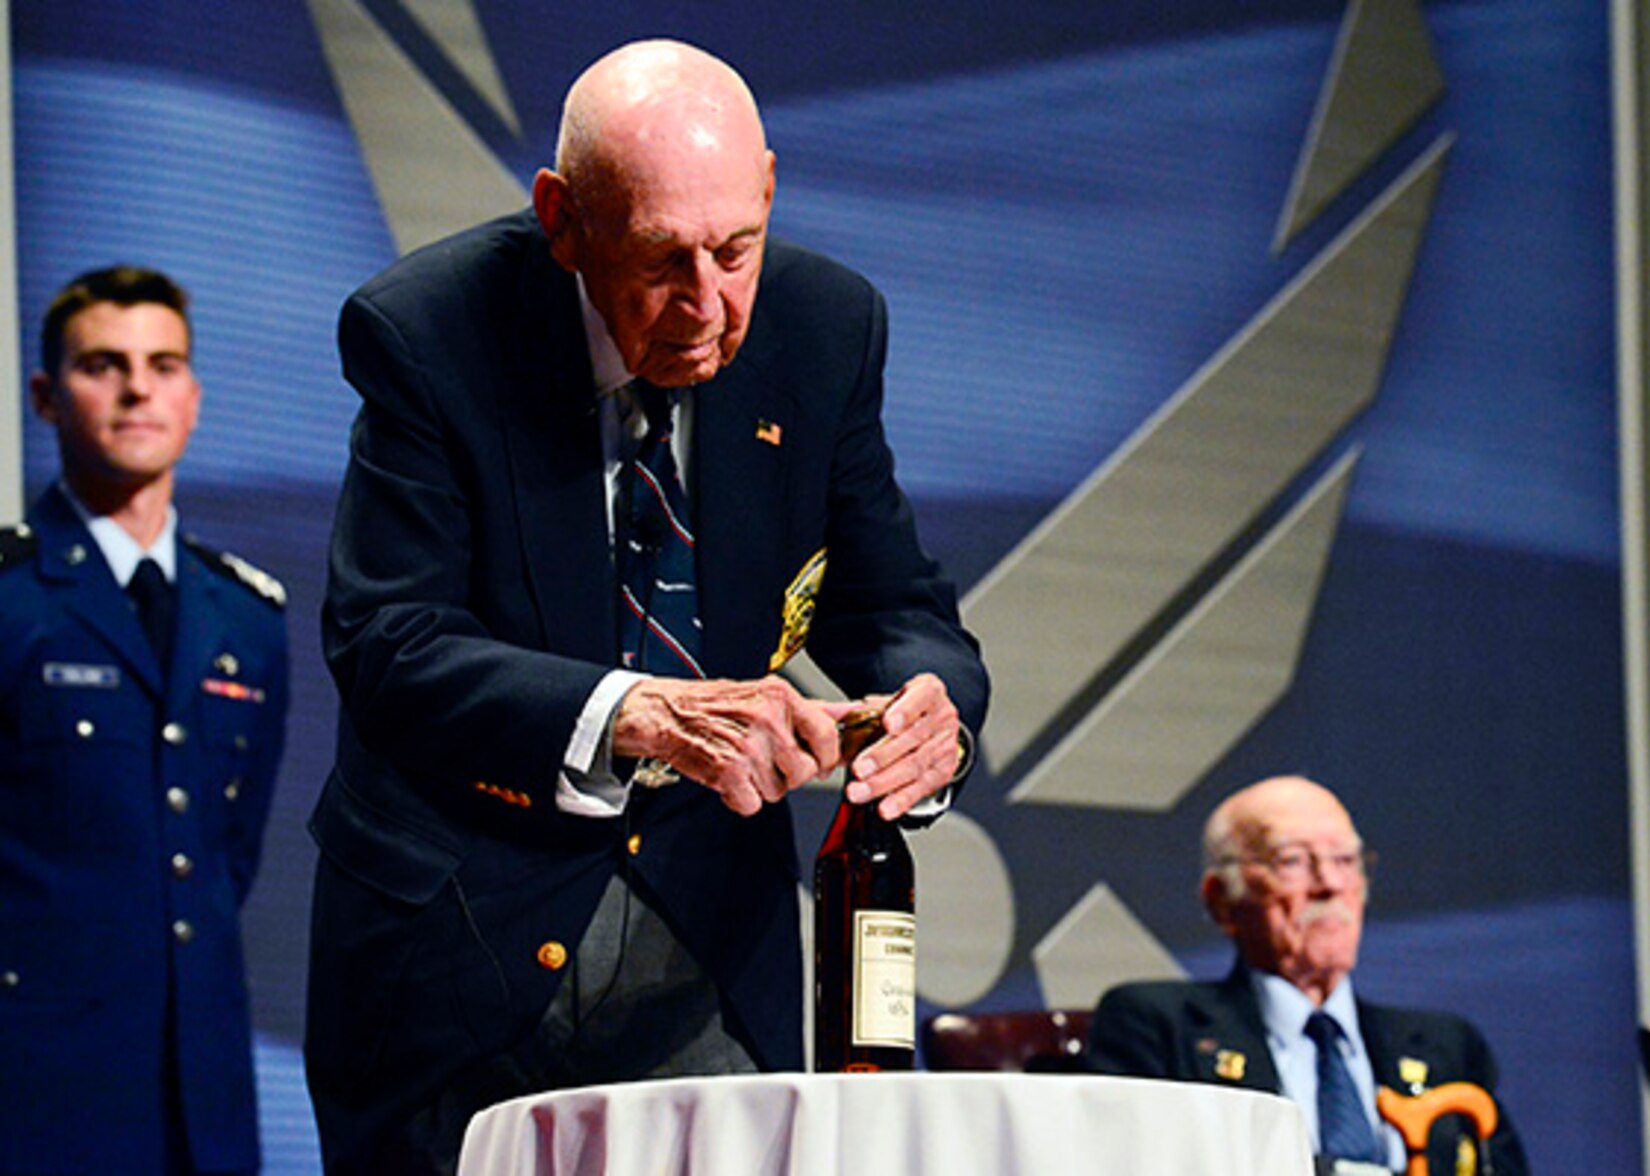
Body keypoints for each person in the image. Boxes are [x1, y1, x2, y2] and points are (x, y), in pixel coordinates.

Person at [305, 38, 988, 1173]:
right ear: (563, 221)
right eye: (661, 259)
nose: (706, 306)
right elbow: (388, 642)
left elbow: (896, 605)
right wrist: (637, 713)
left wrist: (936, 708)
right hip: (459, 946)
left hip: (709, 940)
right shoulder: (426, 331)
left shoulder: (824, 331)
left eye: (735, 250)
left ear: (767, 186)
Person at [0, 266, 289, 1175]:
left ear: (194, 398)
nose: (137, 387)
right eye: (103, 365)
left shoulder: (247, 616)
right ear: (46, 395)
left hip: (201, 1093)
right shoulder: (9, 598)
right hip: (36, 1089)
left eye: (163, 364)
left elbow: (221, 855)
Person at [1088, 776, 1529, 1176]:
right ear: (1221, 900)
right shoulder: (1157, 1026)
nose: (1329, 883)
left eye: (1344, 860)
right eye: (1293, 860)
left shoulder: (1446, 1046)